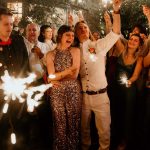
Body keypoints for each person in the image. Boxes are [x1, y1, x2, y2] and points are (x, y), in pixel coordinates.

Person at [74, 0, 122, 149]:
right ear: (76, 33)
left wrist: (116, 10)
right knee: (84, 130)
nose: (83, 29)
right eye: (79, 28)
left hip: (101, 96)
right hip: (83, 97)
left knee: (104, 131)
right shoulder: (74, 50)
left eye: (85, 27)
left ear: (88, 30)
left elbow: (115, 33)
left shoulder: (98, 46)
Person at [46, 25, 81, 150]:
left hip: (73, 91)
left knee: (73, 124)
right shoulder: (50, 54)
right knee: (59, 124)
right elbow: (50, 77)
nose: (71, 38)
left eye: (72, 36)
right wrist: (67, 71)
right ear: (60, 36)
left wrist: (56, 76)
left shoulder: (76, 51)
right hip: (56, 92)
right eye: (68, 35)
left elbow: (74, 75)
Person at [0, 7, 30, 150]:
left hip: (19, 93)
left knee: (22, 126)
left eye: (11, 24)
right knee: (2, 128)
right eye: (6, 24)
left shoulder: (18, 40)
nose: (10, 27)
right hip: (0, 97)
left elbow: (25, 64)